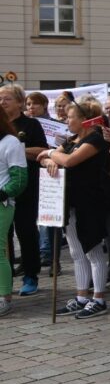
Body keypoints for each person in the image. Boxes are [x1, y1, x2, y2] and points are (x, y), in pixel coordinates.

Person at [38, 99, 110, 319]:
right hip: (69, 200)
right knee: (75, 251)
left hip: (90, 201)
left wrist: (52, 155)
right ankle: (82, 296)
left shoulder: (96, 139)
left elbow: (70, 161)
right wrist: (50, 159)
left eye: (70, 116)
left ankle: (99, 298)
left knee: (93, 249)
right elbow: (45, 156)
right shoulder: (73, 139)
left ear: (85, 120)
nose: (66, 120)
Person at [0, 85, 46, 297]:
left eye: (7, 98)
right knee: (4, 237)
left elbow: (42, 150)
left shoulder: (31, 124)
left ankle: (31, 275)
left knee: (26, 232)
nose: (2, 102)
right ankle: (5, 279)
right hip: (3, 192)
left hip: (25, 188)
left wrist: (17, 150)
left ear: (20, 102)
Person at [0, 106, 28, 317]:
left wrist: (3, 194)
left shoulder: (11, 142)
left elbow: (19, 179)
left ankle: (4, 298)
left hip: (2, 205)